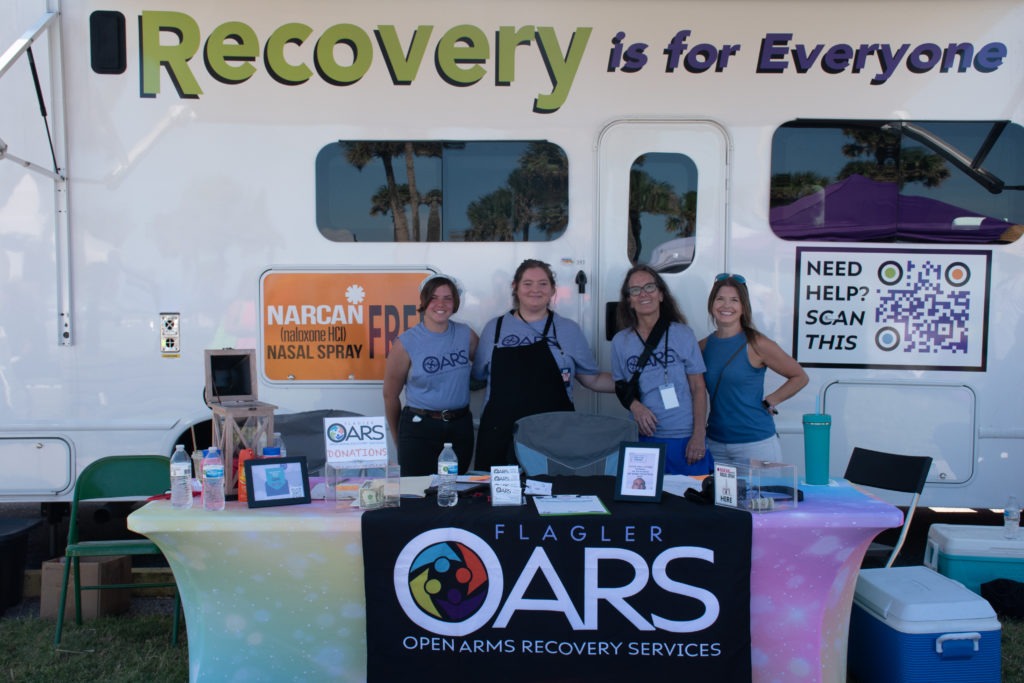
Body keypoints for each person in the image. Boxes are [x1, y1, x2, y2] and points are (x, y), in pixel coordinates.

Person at [473, 259, 613, 469]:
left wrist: (636, 384)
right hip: (499, 435)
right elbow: (478, 377)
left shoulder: (568, 330)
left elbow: (592, 379)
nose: (535, 290)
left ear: (552, 289)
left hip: (554, 434)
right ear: (515, 287)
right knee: (494, 500)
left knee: (552, 496)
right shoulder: (495, 328)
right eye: (528, 283)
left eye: (543, 284)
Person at [611, 265, 711, 475]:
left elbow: (698, 388)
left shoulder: (683, 334)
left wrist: (699, 435)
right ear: (629, 300)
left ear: (661, 294)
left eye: (649, 287)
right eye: (635, 290)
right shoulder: (621, 341)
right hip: (642, 437)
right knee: (645, 507)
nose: (643, 294)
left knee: (691, 504)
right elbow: (621, 386)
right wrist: (636, 407)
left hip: (684, 438)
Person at [700, 273, 808, 462]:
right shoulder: (703, 346)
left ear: (743, 307)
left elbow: (799, 376)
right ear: (711, 304)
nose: (726, 306)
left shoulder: (757, 343)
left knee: (763, 493)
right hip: (715, 443)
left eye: (734, 300)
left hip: (756, 444)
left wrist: (771, 400)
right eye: (720, 299)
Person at [383, 275, 478, 475]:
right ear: (424, 302)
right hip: (419, 429)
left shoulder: (465, 334)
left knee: (455, 493)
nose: (440, 304)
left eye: (447, 298)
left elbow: (484, 366)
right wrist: (398, 438)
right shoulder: (406, 342)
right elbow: (390, 396)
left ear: (455, 302)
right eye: (433, 298)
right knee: (418, 496)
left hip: (459, 428)